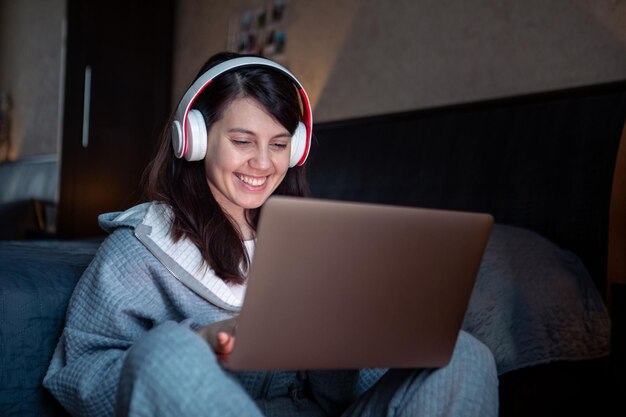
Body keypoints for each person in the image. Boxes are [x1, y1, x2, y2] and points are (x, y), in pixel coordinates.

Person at [43, 51, 499, 417]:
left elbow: (343, 389)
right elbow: (79, 373)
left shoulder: (313, 242)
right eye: (243, 142)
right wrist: (198, 342)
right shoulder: (139, 250)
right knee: (167, 352)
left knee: (462, 354)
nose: (263, 164)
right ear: (194, 140)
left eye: (279, 144)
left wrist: (362, 334)